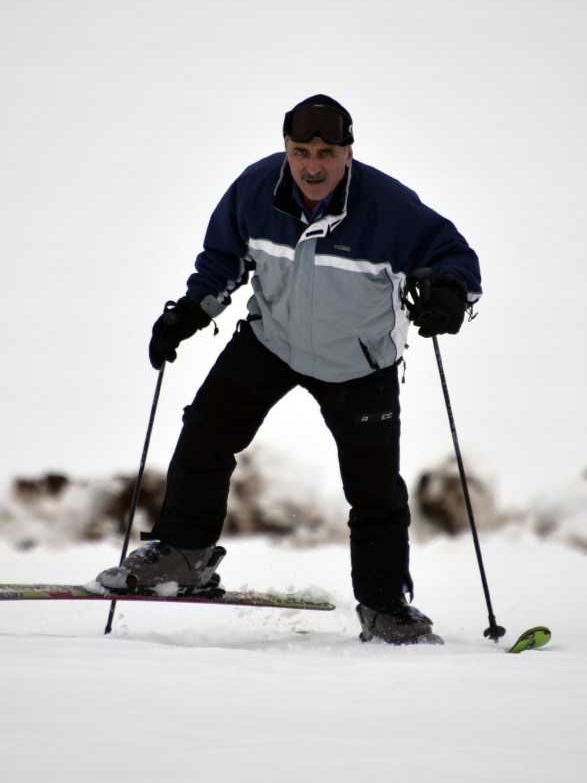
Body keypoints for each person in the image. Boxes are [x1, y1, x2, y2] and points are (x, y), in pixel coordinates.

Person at [96, 95, 481, 645]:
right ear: (287, 149)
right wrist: (189, 313)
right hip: (270, 341)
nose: (313, 165)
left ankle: (384, 606)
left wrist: (446, 295)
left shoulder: (388, 207)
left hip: (359, 362)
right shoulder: (255, 190)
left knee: (374, 492)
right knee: (206, 431)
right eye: (301, 151)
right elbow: (222, 261)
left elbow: (456, 256)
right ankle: (185, 556)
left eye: (326, 152)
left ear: (349, 152)